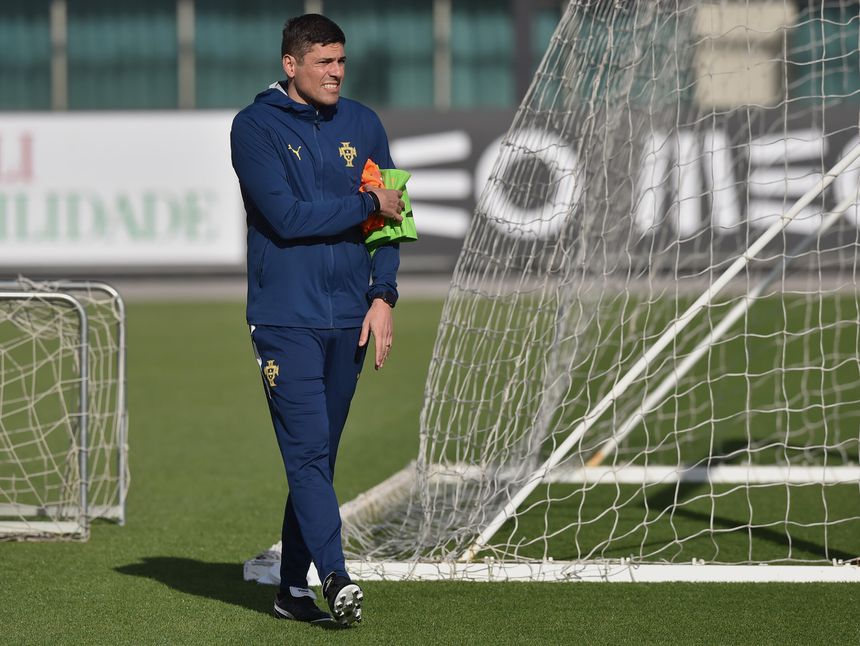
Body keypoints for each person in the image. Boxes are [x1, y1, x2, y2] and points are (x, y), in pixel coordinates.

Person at [230, 13, 404, 627]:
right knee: (306, 455)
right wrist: (364, 203)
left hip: (350, 318)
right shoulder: (253, 127)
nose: (336, 73)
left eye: (341, 61)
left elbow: (391, 218)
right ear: (290, 64)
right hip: (285, 319)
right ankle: (336, 577)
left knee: (318, 460)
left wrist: (383, 295)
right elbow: (286, 216)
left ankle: (288, 591)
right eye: (323, 62)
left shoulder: (364, 123)